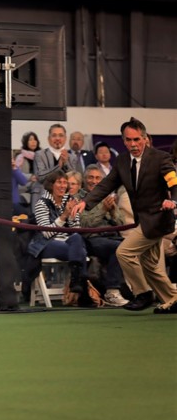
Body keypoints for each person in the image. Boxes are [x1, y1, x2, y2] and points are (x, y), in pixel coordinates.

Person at [73, 117, 177, 314]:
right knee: (150, 266)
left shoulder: (161, 158)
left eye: (137, 139)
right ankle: (173, 299)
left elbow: (174, 183)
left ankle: (143, 294)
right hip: (142, 221)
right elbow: (106, 184)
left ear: (145, 139)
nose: (133, 144)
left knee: (124, 253)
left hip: (157, 220)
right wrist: (86, 202)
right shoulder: (121, 161)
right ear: (123, 141)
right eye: (128, 140)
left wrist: (174, 200)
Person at [27, 171, 88, 299]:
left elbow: (76, 230)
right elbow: (47, 232)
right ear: (51, 185)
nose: (63, 186)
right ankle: (82, 290)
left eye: (65, 182)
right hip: (45, 244)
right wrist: (64, 215)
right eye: (59, 182)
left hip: (68, 242)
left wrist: (71, 215)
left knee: (77, 239)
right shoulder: (41, 204)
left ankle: (76, 282)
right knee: (80, 252)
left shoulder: (70, 202)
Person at [79, 165, 129, 306]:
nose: (94, 181)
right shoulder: (79, 198)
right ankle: (112, 291)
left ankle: (141, 290)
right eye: (90, 177)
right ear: (84, 179)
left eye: (97, 178)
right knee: (119, 247)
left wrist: (112, 210)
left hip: (113, 236)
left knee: (136, 246)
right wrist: (103, 210)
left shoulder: (106, 197)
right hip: (92, 239)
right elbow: (84, 224)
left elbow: (121, 222)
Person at [32, 124, 73, 209]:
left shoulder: (72, 157)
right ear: (48, 138)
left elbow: (74, 179)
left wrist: (65, 163)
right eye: (54, 135)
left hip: (64, 201)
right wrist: (59, 166)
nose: (57, 138)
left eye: (61, 135)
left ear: (65, 138)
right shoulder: (40, 154)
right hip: (42, 198)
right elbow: (40, 177)